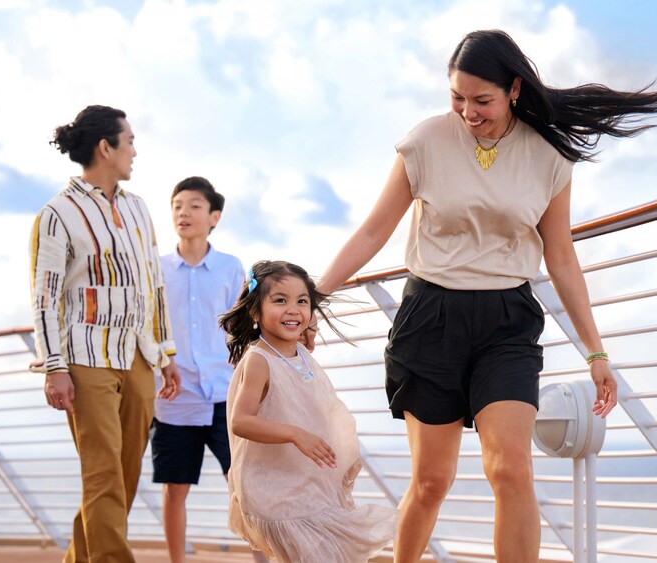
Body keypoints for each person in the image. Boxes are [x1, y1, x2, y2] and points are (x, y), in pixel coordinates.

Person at [311, 30, 657, 562]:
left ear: (513, 90)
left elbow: (559, 255)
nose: (468, 112)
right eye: (457, 98)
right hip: (430, 318)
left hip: (506, 323)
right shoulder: (424, 142)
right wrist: (314, 298)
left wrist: (596, 351)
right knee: (431, 484)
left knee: (510, 466)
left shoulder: (548, 157)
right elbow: (373, 232)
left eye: (481, 100)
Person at [30, 104, 182, 563]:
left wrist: (165, 353)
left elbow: (153, 286)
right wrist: (53, 367)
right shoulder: (57, 214)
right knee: (103, 476)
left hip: (136, 356)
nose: (135, 150)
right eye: (129, 141)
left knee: (124, 474)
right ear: (105, 148)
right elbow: (45, 298)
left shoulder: (138, 208)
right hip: (84, 358)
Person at [219, 260, 397, 563]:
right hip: (277, 491)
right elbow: (240, 421)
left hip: (309, 486)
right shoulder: (259, 360)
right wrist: (295, 434)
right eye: (279, 300)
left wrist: (307, 325)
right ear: (254, 311)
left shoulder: (299, 349)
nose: (293, 309)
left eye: (302, 301)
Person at [151, 176, 266, 563]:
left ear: (214, 216)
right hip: (175, 397)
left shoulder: (232, 268)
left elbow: (248, 324)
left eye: (194, 206)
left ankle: (263, 558)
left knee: (245, 485)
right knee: (175, 487)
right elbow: (147, 324)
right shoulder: (156, 269)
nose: (183, 212)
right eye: (177, 205)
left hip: (227, 396)